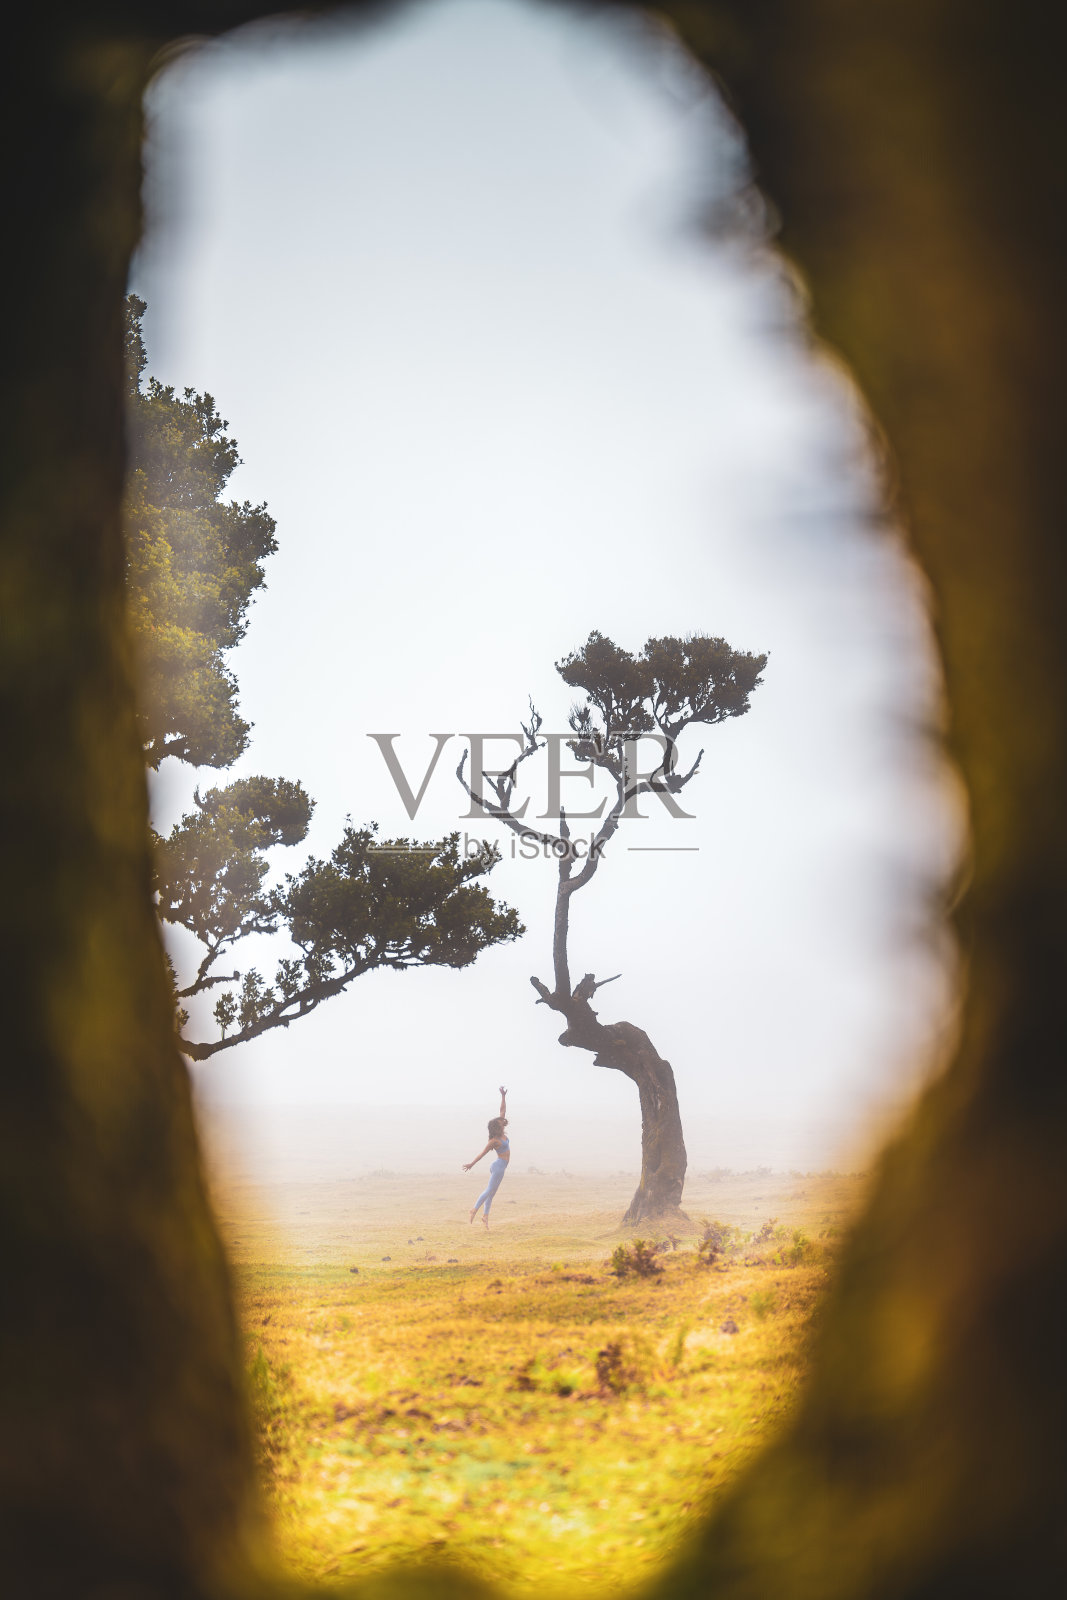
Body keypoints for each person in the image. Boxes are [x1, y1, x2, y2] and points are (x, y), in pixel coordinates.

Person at [464, 1086, 511, 1229]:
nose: (502, 1123)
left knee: (492, 1192)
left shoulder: (501, 1132)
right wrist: (471, 1164)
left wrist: (503, 1096)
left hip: (500, 1166)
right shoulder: (494, 1141)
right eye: (499, 1123)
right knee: (489, 1190)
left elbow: (502, 1110)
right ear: (496, 1128)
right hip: (498, 1167)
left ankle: (485, 1217)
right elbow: (482, 1154)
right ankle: (474, 1209)